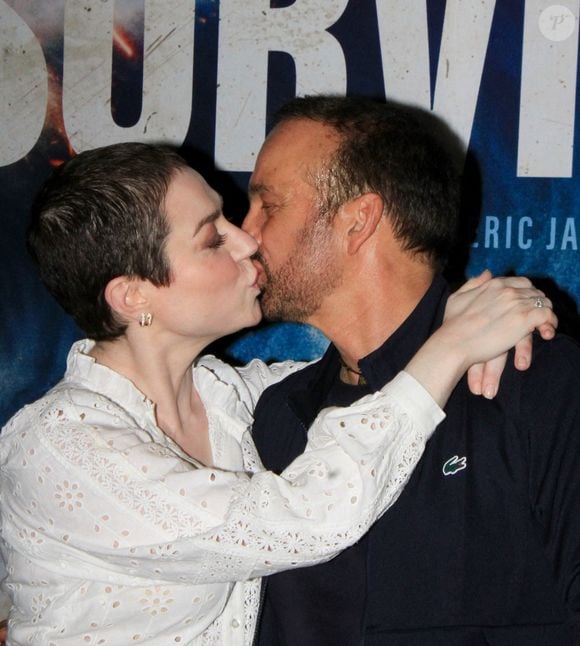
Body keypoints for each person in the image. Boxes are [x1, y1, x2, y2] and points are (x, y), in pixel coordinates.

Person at [0, 143, 556, 646]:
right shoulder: (58, 449)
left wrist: (482, 319)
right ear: (132, 295)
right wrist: (453, 345)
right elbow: (307, 518)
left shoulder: (232, 397)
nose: (247, 241)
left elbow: (374, 367)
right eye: (212, 236)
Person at [243, 95, 580, 645]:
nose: (242, 233)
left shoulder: (536, 381)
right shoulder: (276, 414)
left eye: (268, 205)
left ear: (359, 221)